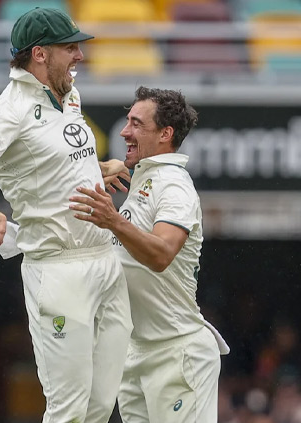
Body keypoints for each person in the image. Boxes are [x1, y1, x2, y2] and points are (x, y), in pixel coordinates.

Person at [0, 7, 132, 423]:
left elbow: (55, 162)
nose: (79, 56)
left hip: (105, 261)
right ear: (39, 54)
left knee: (102, 406)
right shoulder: (11, 108)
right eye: (70, 47)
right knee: (68, 408)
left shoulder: (68, 92)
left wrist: (99, 169)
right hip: (58, 269)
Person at [70, 87, 227, 423]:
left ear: (165, 134)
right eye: (128, 122)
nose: (125, 131)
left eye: (137, 124)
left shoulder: (174, 185)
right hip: (135, 353)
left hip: (177, 352)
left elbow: (162, 254)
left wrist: (112, 220)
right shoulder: (142, 180)